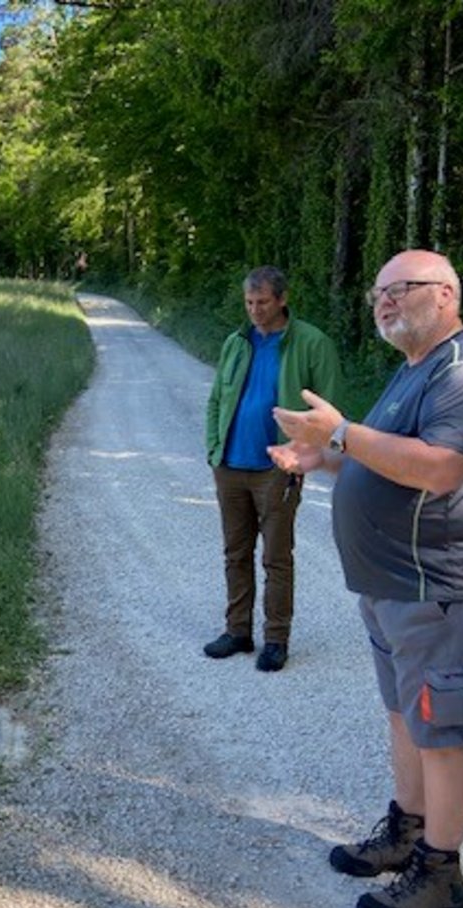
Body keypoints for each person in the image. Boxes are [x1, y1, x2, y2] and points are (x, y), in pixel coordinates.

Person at [270, 249, 463, 908]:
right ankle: (408, 832)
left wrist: (344, 433)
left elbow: (439, 469)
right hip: (391, 583)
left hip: (439, 586)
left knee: (440, 732)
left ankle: (441, 873)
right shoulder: (416, 369)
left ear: (444, 294)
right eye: (377, 293)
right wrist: (321, 456)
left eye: (399, 290)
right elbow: (386, 456)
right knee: (406, 717)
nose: (383, 302)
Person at [204, 266, 341, 672]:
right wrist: (214, 447)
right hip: (230, 463)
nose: (255, 310)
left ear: (282, 299)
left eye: (263, 302)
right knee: (235, 552)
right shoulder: (236, 342)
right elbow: (216, 399)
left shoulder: (312, 343)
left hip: (278, 468)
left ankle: (276, 638)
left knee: (276, 557)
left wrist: (303, 455)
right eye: (249, 303)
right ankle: (238, 631)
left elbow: (330, 413)